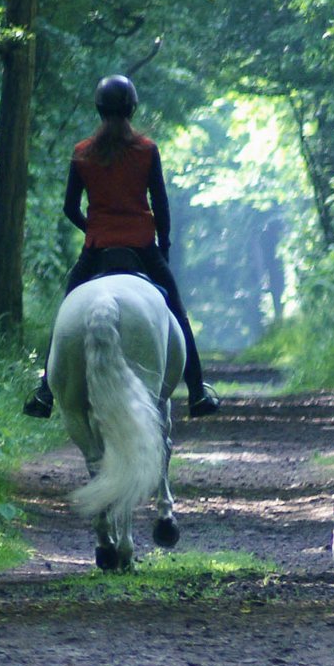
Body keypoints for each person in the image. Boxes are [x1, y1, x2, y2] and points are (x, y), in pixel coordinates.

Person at [23, 74, 220, 419]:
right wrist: (164, 247)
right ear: (132, 107)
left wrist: (94, 228)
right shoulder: (146, 150)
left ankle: (44, 393)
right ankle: (198, 391)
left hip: (97, 247)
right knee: (177, 313)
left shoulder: (82, 153)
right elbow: (160, 206)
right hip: (142, 246)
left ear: (99, 108)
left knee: (64, 313)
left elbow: (70, 207)